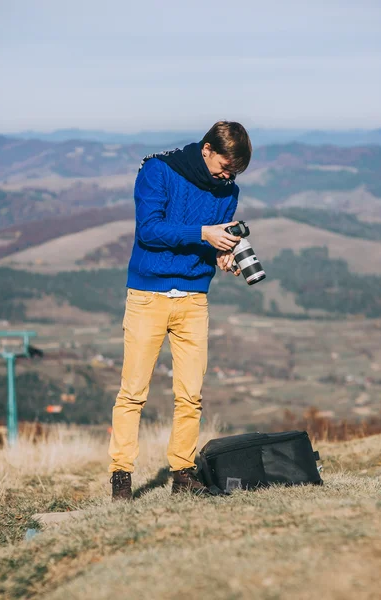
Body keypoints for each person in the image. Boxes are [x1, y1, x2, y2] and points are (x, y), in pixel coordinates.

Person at [108, 121, 252, 500]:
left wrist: (223, 253)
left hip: (193, 299)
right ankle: (121, 477)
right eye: (224, 166)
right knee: (133, 393)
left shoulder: (228, 189)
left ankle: (183, 474)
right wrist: (204, 233)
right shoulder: (158, 170)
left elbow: (210, 240)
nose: (228, 175)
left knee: (190, 395)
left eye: (234, 172)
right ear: (206, 149)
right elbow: (149, 231)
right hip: (147, 295)